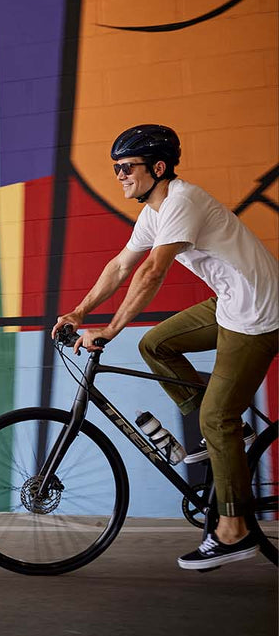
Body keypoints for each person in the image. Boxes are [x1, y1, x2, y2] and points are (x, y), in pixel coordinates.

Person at [51, 124, 278, 570]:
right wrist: (79, 312)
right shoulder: (154, 212)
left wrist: (110, 330)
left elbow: (152, 272)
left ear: (158, 167)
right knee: (156, 344)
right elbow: (121, 266)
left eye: (126, 167)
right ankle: (235, 436)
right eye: (115, 168)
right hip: (232, 303)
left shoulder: (182, 202)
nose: (119, 175)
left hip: (259, 312)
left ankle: (234, 531)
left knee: (216, 417)